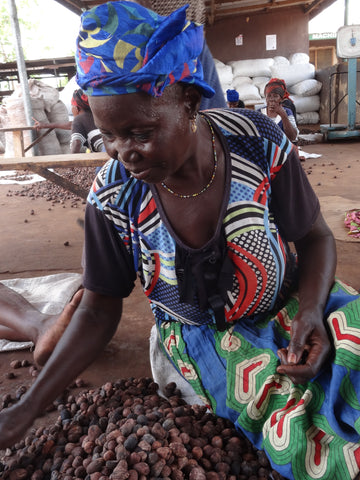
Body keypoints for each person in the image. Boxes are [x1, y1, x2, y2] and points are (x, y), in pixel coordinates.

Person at [0, 3, 359, 480]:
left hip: (297, 299)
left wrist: (312, 310)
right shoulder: (113, 197)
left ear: (189, 102)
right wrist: (25, 411)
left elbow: (314, 237)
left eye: (139, 132)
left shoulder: (258, 142)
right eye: (108, 135)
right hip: (205, 337)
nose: (123, 151)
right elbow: (98, 309)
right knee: (293, 418)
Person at [34, 89, 105, 153]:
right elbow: (71, 124)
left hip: (106, 151)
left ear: (76, 108)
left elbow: (76, 142)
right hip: (111, 147)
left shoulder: (79, 119)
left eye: (72, 106)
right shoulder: (95, 115)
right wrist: (45, 125)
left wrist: (72, 164)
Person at [260, 78, 298, 142]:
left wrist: (283, 115)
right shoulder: (260, 113)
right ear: (265, 98)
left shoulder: (287, 112)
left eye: (275, 96)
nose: (272, 99)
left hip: (282, 149)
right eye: (269, 96)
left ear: (281, 98)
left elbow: (293, 137)